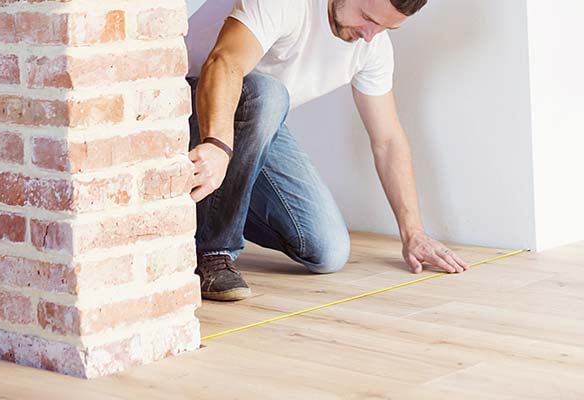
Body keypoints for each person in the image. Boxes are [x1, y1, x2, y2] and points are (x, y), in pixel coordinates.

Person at [185, 0, 470, 302]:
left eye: (387, 28)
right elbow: (224, 62)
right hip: (185, 103)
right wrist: (217, 144)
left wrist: (413, 233)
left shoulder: (373, 46)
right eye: (367, 17)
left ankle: (196, 216)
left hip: (251, 130)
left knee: (327, 250)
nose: (370, 34)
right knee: (269, 95)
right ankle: (213, 253)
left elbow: (387, 140)